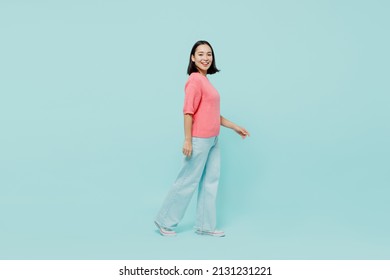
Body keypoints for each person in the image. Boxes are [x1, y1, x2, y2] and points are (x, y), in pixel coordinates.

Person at [154, 40, 250, 237]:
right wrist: (187, 140)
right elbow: (188, 112)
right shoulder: (195, 80)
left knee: (210, 182)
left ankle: (205, 226)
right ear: (192, 57)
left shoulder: (206, 81)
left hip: (213, 139)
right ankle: (165, 221)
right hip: (199, 139)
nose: (205, 58)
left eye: (209, 54)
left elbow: (212, 113)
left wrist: (234, 127)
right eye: (200, 54)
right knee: (187, 180)